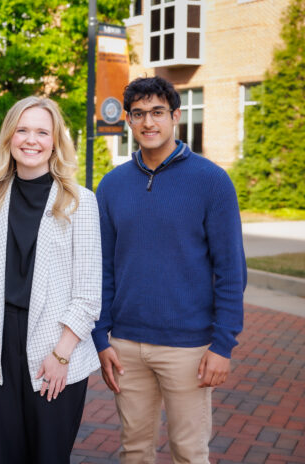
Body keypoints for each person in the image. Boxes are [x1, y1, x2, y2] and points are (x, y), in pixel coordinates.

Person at [91, 76, 247, 463]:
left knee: (188, 452)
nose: (148, 123)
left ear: (175, 116)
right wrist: (101, 337)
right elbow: (103, 269)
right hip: (126, 345)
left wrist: (223, 345)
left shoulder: (211, 181)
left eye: (158, 112)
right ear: (127, 120)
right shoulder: (111, 186)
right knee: (135, 451)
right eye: (139, 114)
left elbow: (231, 270)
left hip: (188, 348)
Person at [0, 96, 102, 464]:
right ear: (9, 137)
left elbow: (88, 295)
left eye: (42, 131)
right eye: (22, 130)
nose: (31, 139)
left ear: (55, 140)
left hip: (55, 348)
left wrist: (61, 354)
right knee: (2, 455)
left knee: (48, 457)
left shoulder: (79, 201)